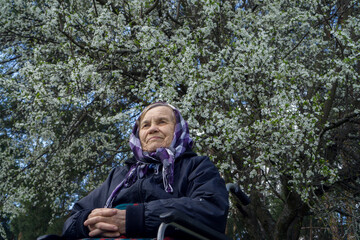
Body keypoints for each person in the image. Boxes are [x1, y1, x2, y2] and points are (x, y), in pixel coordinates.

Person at [62, 102, 229, 239]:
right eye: (145, 125)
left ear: (178, 129)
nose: (152, 129)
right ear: (138, 134)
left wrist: (135, 218)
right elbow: (73, 218)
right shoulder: (119, 175)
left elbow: (211, 209)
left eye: (162, 122)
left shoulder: (195, 166)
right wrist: (89, 221)